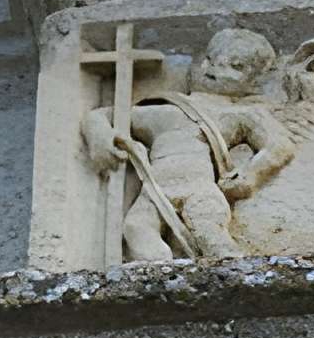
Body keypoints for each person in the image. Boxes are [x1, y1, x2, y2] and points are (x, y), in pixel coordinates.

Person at [82, 27, 295, 263]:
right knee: (136, 227)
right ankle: (158, 272)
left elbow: (278, 145)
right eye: (211, 60)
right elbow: (102, 115)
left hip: (199, 187)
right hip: (156, 188)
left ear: (253, 82)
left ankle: (232, 273)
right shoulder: (165, 110)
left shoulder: (238, 115)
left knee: (209, 231)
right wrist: (99, 137)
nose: (214, 70)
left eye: (236, 66)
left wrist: (248, 176)